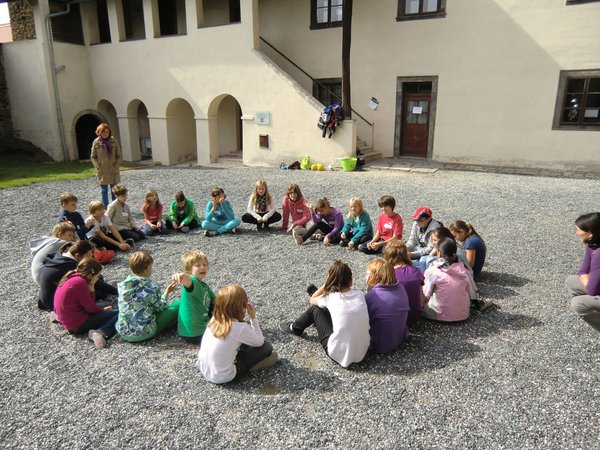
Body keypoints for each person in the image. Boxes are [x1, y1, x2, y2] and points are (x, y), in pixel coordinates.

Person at [279, 260, 370, 368]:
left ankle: (295, 327)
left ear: (331, 282)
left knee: (315, 309)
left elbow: (312, 300)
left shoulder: (331, 299)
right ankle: (317, 298)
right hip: (363, 352)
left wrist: (326, 284)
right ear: (350, 281)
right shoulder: (360, 295)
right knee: (333, 309)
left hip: (339, 355)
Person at [196, 284, 278, 384]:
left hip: (204, 369)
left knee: (238, 342)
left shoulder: (214, 319)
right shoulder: (239, 328)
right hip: (223, 376)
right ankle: (253, 367)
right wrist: (253, 318)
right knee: (267, 347)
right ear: (241, 307)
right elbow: (260, 342)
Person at [53, 258, 118, 349]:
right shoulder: (81, 283)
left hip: (67, 319)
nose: (97, 279)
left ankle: (56, 317)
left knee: (104, 305)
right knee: (119, 313)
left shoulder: (72, 276)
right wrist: (92, 291)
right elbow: (90, 308)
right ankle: (101, 332)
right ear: (90, 276)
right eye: (97, 276)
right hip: (77, 325)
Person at [116, 251, 180, 342]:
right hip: (145, 333)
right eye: (151, 267)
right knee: (178, 304)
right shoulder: (150, 286)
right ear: (146, 269)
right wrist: (166, 292)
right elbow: (160, 308)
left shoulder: (123, 285)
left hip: (124, 333)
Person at [38, 240, 117, 311]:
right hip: (52, 301)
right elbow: (94, 282)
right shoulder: (69, 265)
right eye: (88, 256)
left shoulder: (61, 257)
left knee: (98, 283)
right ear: (78, 256)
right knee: (101, 293)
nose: (90, 258)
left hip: (47, 297)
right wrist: (115, 291)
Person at [422, 238, 478, 322]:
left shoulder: (433, 271)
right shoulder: (464, 271)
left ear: (439, 253)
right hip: (463, 315)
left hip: (438, 314)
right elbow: (473, 294)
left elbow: (425, 295)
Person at [365, 258, 410, 353]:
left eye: (367, 274)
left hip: (379, 345)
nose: (365, 276)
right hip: (400, 337)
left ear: (375, 276)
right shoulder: (400, 288)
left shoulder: (372, 296)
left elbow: (365, 321)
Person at [566, 212, 600, 333]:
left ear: (590, 233)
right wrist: (586, 277)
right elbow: (582, 270)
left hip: (594, 288)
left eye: (578, 230)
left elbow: (592, 290)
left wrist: (586, 278)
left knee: (578, 304)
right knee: (571, 281)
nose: (576, 233)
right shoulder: (592, 245)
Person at [175, 250, 216, 344]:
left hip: (188, 333)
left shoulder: (204, 286)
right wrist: (181, 276)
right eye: (198, 265)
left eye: (205, 264)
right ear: (189, 270)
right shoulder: (194, 282)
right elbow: (188, 282)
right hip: (197, 333)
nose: (202, 267)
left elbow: (216, 301)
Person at [383, 239, 425, 325]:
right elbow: (421, 297)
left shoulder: (389, 274)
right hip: (415, 316)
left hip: (396, 318)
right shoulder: (416, 271)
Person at [91, 123, 122, 208]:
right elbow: (93, 157)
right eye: (103, 132)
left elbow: (119, 155)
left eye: (107, 132)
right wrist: (98, 166)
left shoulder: (113, 141)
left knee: (114, 191)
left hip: (113, 170)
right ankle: (105, 208)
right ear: (99, 132)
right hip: (102, 171)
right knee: (104, 190)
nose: (105, 134)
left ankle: (114, 207)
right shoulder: (96, 142)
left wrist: (116, 166)